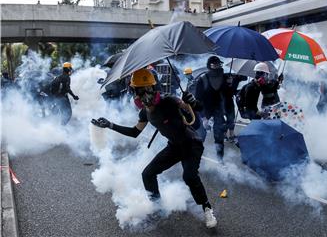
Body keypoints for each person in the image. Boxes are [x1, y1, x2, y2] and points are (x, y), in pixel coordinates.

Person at [92, 69, 217, 228]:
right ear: (134, 92)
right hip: (174, 147)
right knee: (148, 174)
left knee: (189, 176)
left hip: (191, 144)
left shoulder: (170, 101)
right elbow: (134, 132)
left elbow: (196, 121)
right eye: (140, 90)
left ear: (154, 88)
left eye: (147, 89)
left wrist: (192, 102)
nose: (145, 94)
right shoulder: (144, 112)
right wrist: (110, 125)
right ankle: (158, 206)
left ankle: (207, 208)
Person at [195, 56, 226, 161]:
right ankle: (195, 161)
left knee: (219, 138)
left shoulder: (224, 78)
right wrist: (203, 118)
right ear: (209, 66)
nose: (217, 67)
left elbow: (228, 96)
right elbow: (197, 100)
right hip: (204, 113)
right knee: (199, 139)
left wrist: (231, 85)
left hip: (218, 113)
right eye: (214, 64)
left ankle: (220, 160)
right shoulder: (202, 80)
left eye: (218, 64)